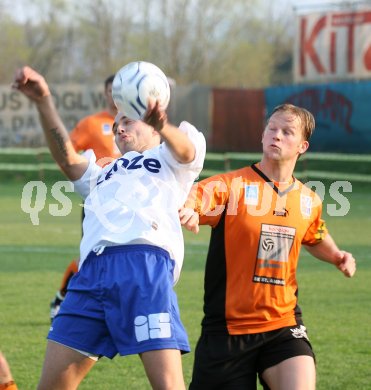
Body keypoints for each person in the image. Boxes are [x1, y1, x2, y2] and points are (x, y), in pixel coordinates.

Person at [13, 65, 206, 390]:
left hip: (144, 266)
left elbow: (187, 152)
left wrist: (165, 127)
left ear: (154, 127)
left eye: (127, 120)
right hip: (90, 276)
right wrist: (43, 101)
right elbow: (68, 160)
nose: (118, 128)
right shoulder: (103, 169)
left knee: (169, 385)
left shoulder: (168, 157)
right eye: (115, 124)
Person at [180, 103, 356, 390]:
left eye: (287, 132)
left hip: (283, 325)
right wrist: (189, 208)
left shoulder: (308, 200)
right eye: (272, 128)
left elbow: (314, 233)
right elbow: (196, 194)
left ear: (302, 146)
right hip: (227, 332)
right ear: (262, 136)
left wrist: (336, 255)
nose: (276, 135)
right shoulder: (231, 185)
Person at [49, 74, 120, 322]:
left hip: (131, 203)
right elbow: (66, 149)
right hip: (98, 200)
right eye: (110, 90)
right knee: (90, 256)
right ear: (105, 93)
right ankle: (62, 298)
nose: (114, 95)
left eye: (118, 90)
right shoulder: (92, 123)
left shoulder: (138, 125)